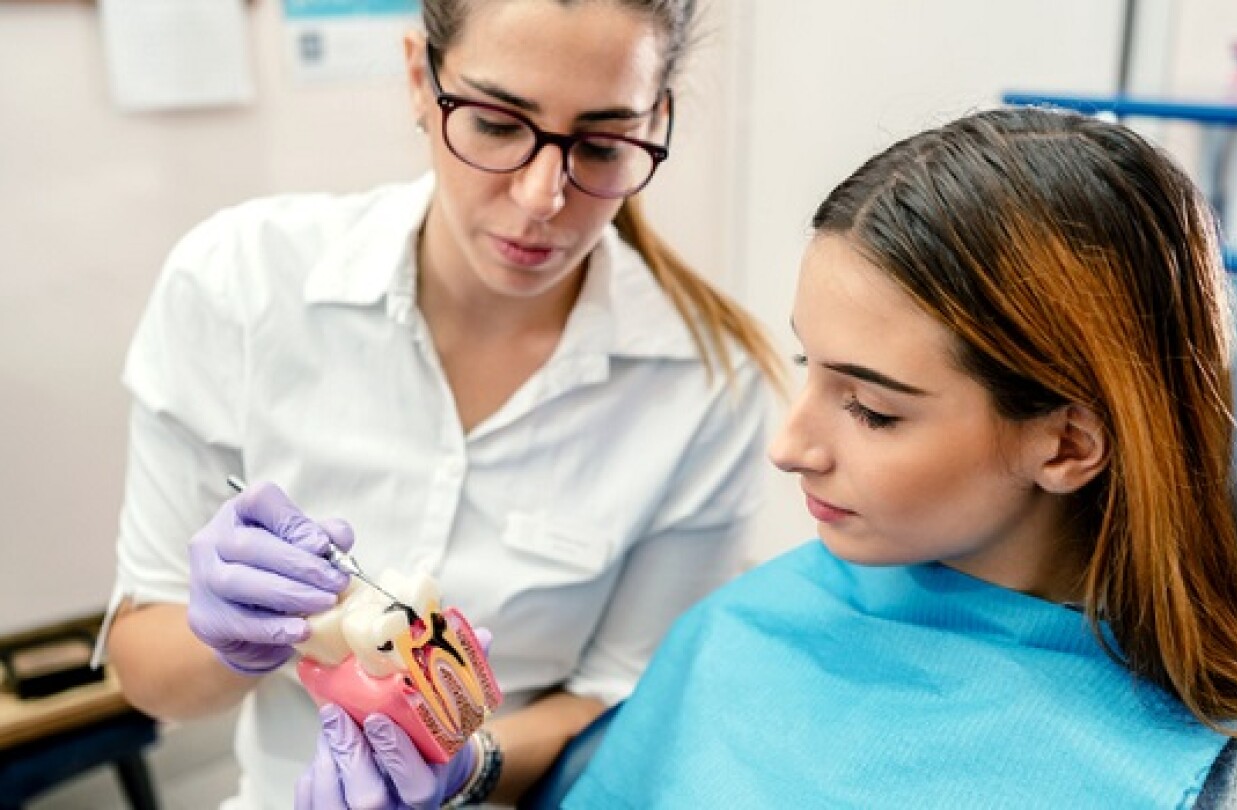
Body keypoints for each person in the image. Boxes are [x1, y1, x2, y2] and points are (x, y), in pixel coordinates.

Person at [563, 108, 1237, 809]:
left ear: (1068, 444)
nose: (790, 448)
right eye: (807, 370)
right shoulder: (745, 629)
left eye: (872, 409)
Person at [100, 0, 782, 807]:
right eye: (496, 124)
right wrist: (230, 637)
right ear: (421, 79)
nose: (540, 198)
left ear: (657, 119)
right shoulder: (238, 285)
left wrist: (464, 767)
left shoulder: (707, 385)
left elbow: (627, 704)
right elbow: (144, 676)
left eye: (602, 145)